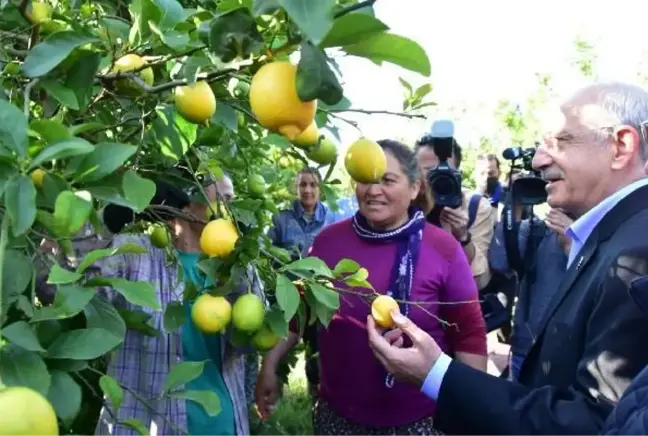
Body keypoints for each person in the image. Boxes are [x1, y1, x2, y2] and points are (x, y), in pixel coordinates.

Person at [367, 82, 648, 435]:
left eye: (562, 141)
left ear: (620, 146)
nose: (538, 160)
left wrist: (435, 373)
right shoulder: (620, 233)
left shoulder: (639, 253)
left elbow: (593, 423)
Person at [256, 139, 487, 435]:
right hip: (337, 418)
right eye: (366, 180)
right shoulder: (328, 243)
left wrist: (472, 409)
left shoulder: (443, 249)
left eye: (388, 180)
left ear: (415, 188)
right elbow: (296, 313)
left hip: (420, 421)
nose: (374, 190)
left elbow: (469, 335)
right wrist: (269, 365)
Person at [88, 174, 262, 436]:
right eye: (223, 199)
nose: (230, 209)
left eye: (233, 200)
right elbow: (79, 279)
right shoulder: (135, 256)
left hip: (220, 425)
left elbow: (249, 342)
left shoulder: (236, 269)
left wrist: (236, 278)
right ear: (187, 205)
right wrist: (114, 215)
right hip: (144, 423)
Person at [267, 167, 336, 396]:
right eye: (303, 185)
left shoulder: (331, 219)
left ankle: (315, 400)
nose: (308, 190)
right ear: (295, 188)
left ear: (320, 188)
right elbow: (266, 253)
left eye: (313, 184)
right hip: (288, 299)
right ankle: (269, 398)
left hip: (318, 300)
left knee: (317, 352)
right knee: (276, 351)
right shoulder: (281, 219)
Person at [488, 204, 572, 379]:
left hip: (571, 356)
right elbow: (499, 262)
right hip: (525, 348)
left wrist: (574, 244)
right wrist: (513, 208)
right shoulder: (536, 229)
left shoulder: (609, 234)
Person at [416, 137, 495, 290]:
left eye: (446, 170)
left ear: (458, 173)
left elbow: (480, 282)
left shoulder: (475, 206)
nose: (439, 178)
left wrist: (463, 237)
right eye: (430, 172)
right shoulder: (404, 203)